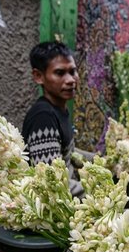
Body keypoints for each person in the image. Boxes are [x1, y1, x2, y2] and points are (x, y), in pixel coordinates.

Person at [22, 41, 84, 196]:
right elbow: (52, 185)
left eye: (73, 71)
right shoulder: (44, 118)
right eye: (60, 73)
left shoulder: (58, 110)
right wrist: (101, 194)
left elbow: (67, 152)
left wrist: (104, 162)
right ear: (38, 77)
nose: (70, 80)